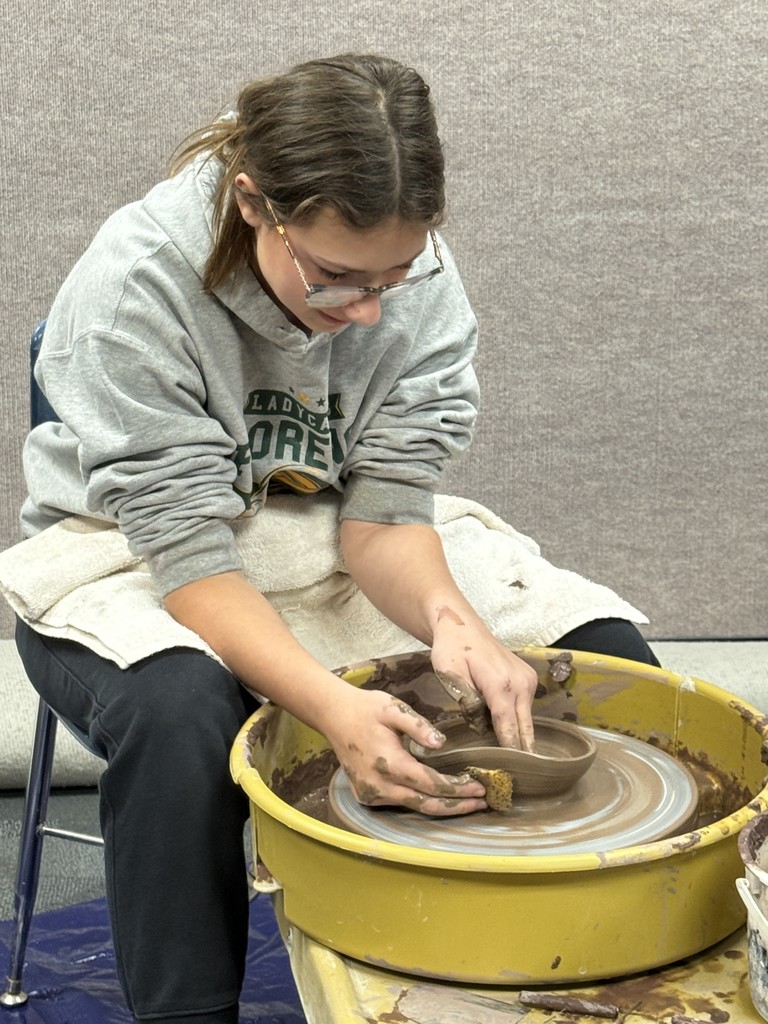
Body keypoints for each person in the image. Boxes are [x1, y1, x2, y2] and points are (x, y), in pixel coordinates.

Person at [12, 54, 659, 1024]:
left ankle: (602, 970)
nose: (367, 311)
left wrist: (453, 620)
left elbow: (385, 517)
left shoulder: (413, 276)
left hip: (322, 532)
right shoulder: (135, 286)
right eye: (338, 279)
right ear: (252, 204)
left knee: (599, 658)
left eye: (393, 277)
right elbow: (189, 555)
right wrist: (328, 707)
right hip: (124, 547)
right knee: (184, 719)